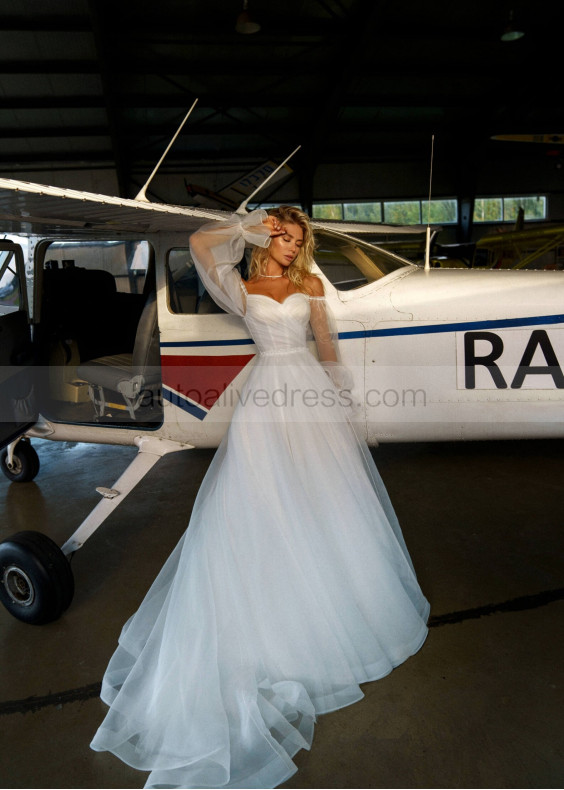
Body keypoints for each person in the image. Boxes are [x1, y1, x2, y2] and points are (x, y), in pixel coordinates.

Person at [90, 206, 430, 789]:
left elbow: (326, 344)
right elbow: (201, 241)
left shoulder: (311, 285)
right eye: (286, 238)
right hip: (266, 402)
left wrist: (341, 401)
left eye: (299, 241)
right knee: (258, 506)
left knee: (327, 503)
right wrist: (252, 221)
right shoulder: (239, 287)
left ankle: (336, 596)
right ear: (267, 239)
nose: (293, 248)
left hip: (309, 400)